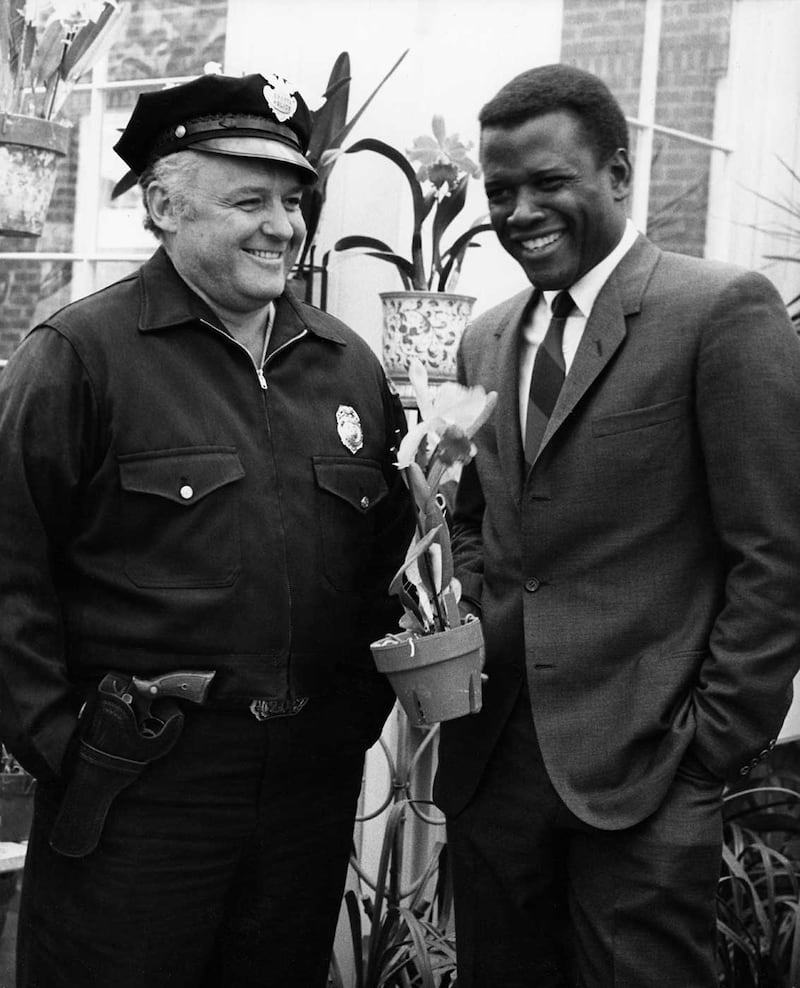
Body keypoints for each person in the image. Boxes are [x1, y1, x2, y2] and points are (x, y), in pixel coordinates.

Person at [0, 71, 413, 988]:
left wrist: (350, 723)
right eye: (249, 200)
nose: (283, 225)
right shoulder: (78, 358)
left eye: (293, 200)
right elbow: (7, 570)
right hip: (139, 785)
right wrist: (66, 747)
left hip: (306, 790)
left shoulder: (348, 368)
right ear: (162, 206)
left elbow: (390, 567)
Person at [433, 63, 800, 987]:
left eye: (548, 183)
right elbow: (476, 520)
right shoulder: (485, 336)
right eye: (500, 190)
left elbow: (777, 551)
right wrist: (472, 616)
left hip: (649, 768)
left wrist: (711, 743)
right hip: (496, 767)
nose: (518, 211)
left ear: (621, 176)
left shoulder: (720, 311)